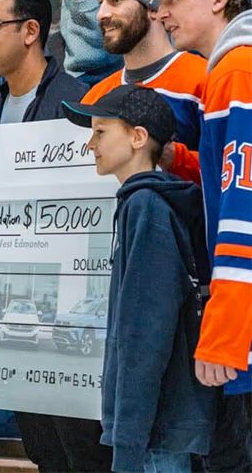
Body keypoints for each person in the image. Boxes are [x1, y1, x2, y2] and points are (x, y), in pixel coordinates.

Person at [0, 0, 108, 472]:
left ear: (31, 30)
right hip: (12, 323)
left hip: (74, 324)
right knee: (41, 448)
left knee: (85, 450)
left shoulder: (83, 106)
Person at [135, 0, 252, 470]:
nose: (161, 13)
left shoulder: (237, 69)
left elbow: (242, 212)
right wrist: (180, 159)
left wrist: (225, 336)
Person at [62, 84, 217, 472]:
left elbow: (144, 334)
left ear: (137, 137)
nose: (90, 144)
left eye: (100, 132)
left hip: (158, 433)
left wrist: (128, 444)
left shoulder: (147, 207)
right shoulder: (146, 203)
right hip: (160, 427)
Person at [83, 0, 206, 183]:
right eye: (100, 2)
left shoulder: (202, 78)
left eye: (116, 0)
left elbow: (234, 170)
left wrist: (172, 157)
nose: (102, 14)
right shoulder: (95, 96)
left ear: (153, 8)